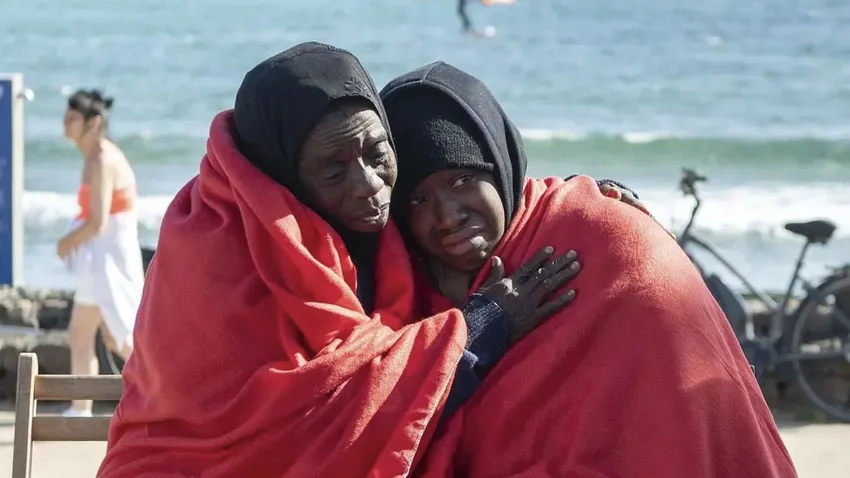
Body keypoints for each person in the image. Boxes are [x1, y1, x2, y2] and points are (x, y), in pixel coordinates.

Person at [96, 42, 592, 478]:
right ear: (281, 176)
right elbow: (304, 428)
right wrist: (481, 327)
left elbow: (472, 181)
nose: (369, 185)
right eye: (334, 173)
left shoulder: (370, 226)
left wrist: (580, 202)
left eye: (377, 152)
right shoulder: (216, 251)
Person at [380, 62, 798, 477]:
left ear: (500, 162)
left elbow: (680, 418)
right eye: (418, 200)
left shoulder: (603, 239)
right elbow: (379, 418)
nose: (447, 216)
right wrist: (481, 327)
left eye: (463, 180)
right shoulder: (402, 291)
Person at [58, 89, 145, 417]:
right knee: (83, 333)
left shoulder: (102, 159)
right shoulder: (94, 155)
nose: (65, 123)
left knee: (120, 336)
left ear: (93, 123)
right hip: (100, 258)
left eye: (72, 118)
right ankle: (80, 408)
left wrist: (65, 243)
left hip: (109, 260)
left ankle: (163, 396)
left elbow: (98, 221)